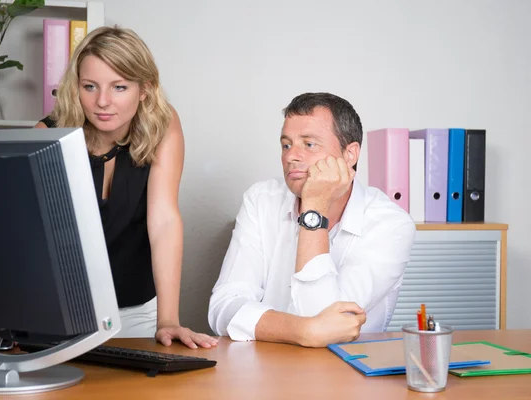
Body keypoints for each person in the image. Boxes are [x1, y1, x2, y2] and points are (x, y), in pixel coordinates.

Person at [35, 26, 217, 349]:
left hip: (136, 311)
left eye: (119, 87)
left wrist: (168, 319)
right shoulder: (50, 132)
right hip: (61, 312)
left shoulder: (163, 123)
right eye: (90, 86)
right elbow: (33, 234)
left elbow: (163, 220)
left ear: (144, 89)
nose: (102, 102)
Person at [208, 92, 416, 348]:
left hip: (349, 375)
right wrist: (302, 331)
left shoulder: (391, 224)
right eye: (286, 144)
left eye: (309, 144)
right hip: (266, 368)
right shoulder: (261, 199)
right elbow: (223, 306)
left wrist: (314, 207)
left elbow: (324, 323)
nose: (290, 156)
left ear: (350, 154)